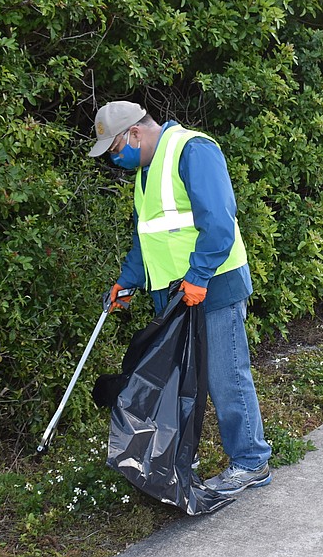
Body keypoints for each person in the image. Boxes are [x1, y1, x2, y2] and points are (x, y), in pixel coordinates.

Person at [88, 100, 273, 495]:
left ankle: (251, 460)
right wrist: (128, 281)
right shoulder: (144, 173)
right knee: (181, 382)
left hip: (213, 286)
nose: (115, 161)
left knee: (227, 377)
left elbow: (219, 223)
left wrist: (199, 275)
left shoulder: (193, 150)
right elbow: (147, 237)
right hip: (175, 298)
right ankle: (179, 458)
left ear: (135, 133)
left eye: (116, 151)